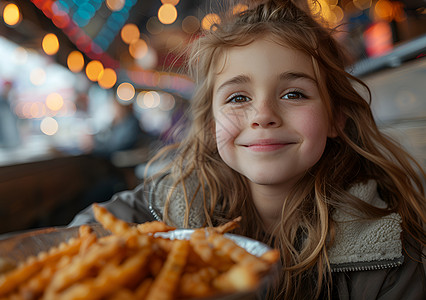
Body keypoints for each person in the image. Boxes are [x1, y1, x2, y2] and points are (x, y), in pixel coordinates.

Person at [70, 0, 426, 299]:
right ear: (210, 125)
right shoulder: (170, 203)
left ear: (336, 118)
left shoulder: (393, 253)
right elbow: (77, 241)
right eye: (238, 97)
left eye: (294, 94)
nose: (264, 116)